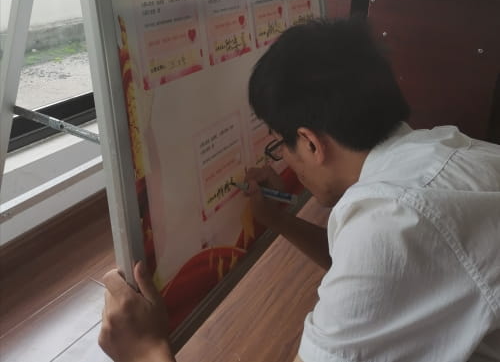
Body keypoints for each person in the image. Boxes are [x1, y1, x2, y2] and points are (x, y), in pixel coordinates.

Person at [99, 18, 500, 362]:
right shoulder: (443, 149)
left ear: (309, 142)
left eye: (279, 144)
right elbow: (379, 267)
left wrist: (146, 351)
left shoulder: (393, 222)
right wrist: (278, 220)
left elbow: (381, 253)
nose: (283, 158)